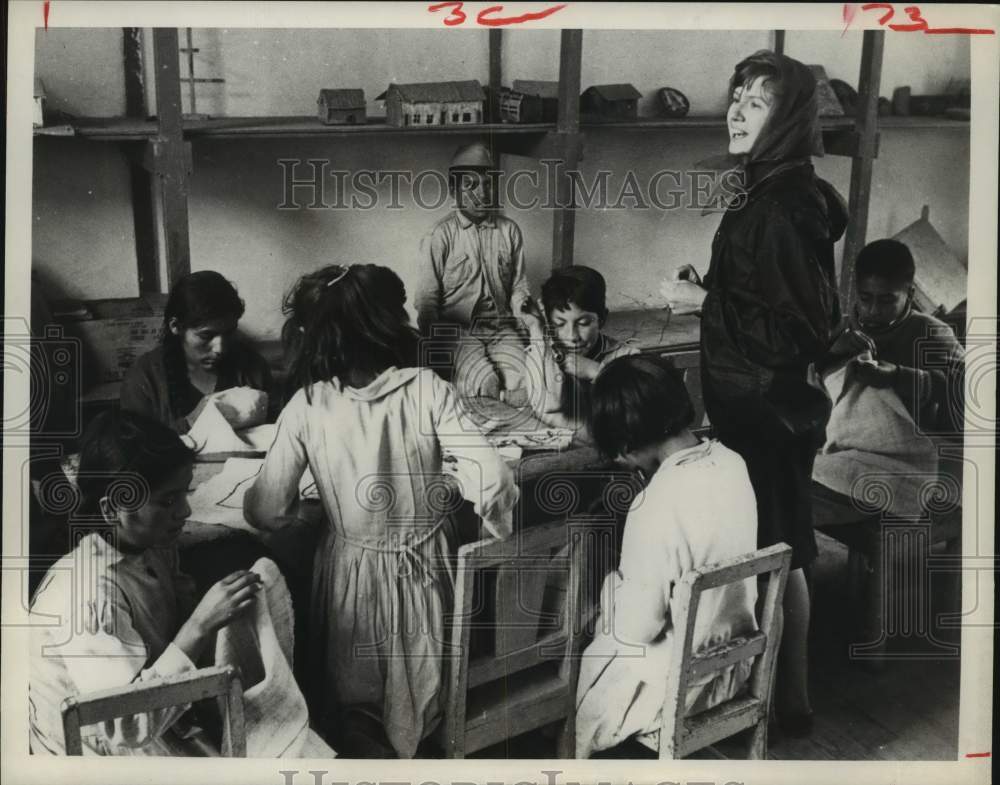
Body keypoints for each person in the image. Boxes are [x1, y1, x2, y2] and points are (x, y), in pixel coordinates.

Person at [244, 264, 518, 759]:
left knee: (358, 703)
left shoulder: (309, 406)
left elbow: (264, 510)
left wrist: (316, 514)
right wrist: (468, 511)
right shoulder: (428, 388)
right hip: (426, 567)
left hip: (351, 576)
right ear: (390, 325)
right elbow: (494, 477)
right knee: (423, 681)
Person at [661, 50, 848, 734]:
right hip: (761, 404)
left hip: (770, 408)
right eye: (736, 97)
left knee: (780, 550)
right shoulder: (773, 188)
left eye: (758, 102)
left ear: (791, 120)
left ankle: (787, 703)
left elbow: (797, 329)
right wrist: (712, 288)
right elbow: (769, 297)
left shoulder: (782, 204)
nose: (737, 111)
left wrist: (701, 299)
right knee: (780, 544)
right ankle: (783, 695)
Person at [29, 411, 267, 755]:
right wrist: (200, 624)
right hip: (93, 745)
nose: (185, 511)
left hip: (143, 700)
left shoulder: (150, 545)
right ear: (113, 510)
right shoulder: (88, 597)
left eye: (185, 493)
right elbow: (124, 724)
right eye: (167, 501)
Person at [574, 356, 759, 758]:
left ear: (624, 448)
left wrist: (612, 592)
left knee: (593, 655)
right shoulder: (733, 462)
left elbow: (640, 630)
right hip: (737, 664)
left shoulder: (654, 504)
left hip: (683, 686)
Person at [414, 142, 533, 400]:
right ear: (453, 189)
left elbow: (518, 286)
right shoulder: (439, 235)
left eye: (488, 184)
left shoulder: (509, 231)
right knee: (484, 381)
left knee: (525, 381)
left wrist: (524, 317)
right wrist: (438, 348)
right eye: (470, 185)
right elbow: (426, 302)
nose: (482, 193)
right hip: (456, 332)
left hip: (500, 328)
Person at [825, 238, 965, 433]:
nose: (873, 310)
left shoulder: (930, 331)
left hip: (908, 448)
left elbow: (973, 387)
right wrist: (831, 355)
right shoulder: (840, 329)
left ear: (910, 293)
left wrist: (897, 377)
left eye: (886, 300)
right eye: (865, 298)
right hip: (844, 444)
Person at [120, 270, 272, 434]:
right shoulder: (143, 378)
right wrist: (192, 421)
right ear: (175, 326)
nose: (220, 348)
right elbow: (136, 451)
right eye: (206, 335)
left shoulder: (253, 367)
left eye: (229, 333)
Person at [520, 266, 638, 440]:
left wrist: (597, 372)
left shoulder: (627, 356)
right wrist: (537, 329)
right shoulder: (542, 353)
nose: (572, 336)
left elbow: (640, 415)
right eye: (559, 324)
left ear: (602, 318)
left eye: (583, 323)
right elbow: (551, 404)